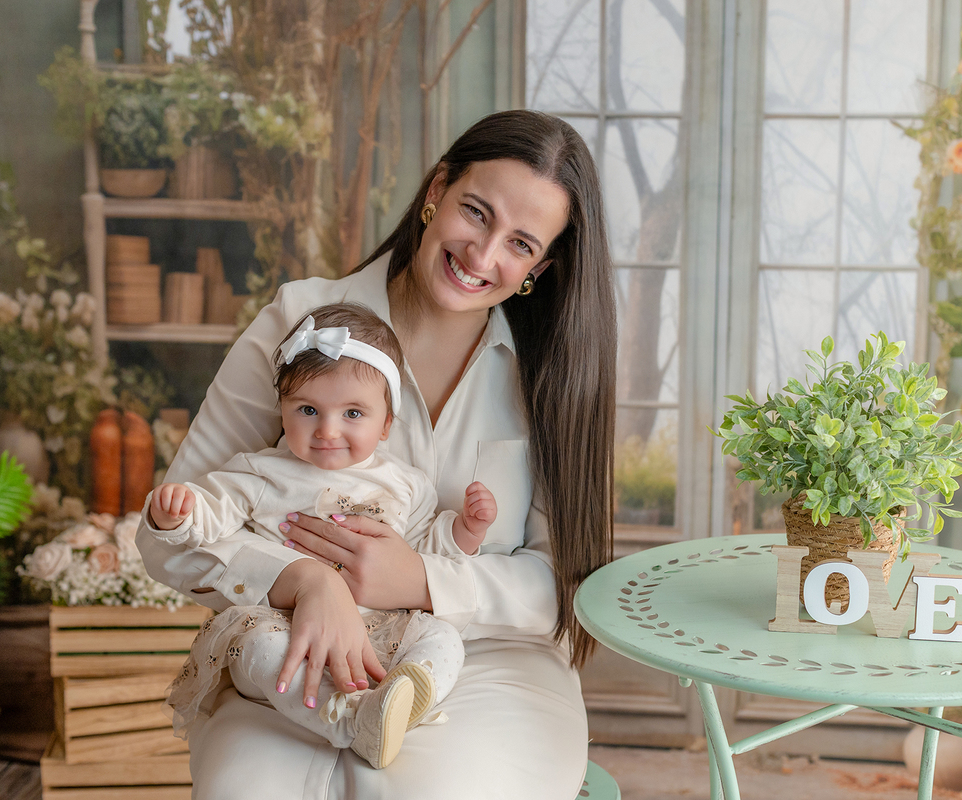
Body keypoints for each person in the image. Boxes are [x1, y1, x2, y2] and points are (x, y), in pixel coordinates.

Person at [136, 108, 616, 799]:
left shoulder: (551, 378)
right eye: (475, 213)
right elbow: (169, 538)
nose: (482, 257)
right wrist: (304, 581)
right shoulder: (298, 322)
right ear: (436, 192)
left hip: (484, 658)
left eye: (519, 242)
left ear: (541, 265)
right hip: (291, 641)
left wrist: (420, 581)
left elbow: (566, 587)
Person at [146, 303, 494, 769]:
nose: (328, 430)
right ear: (283, 409)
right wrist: (179, 513)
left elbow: (424, 553)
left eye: (353, 413)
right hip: (286, 629)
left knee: (444, 637)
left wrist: (465, 532)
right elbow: (212, 514)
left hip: (381, 632)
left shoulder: (405, 484)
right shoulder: (262, 472)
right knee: (256, 649)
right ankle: (351, 722)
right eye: (308, 409)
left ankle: (403, 693)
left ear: (386, 423)